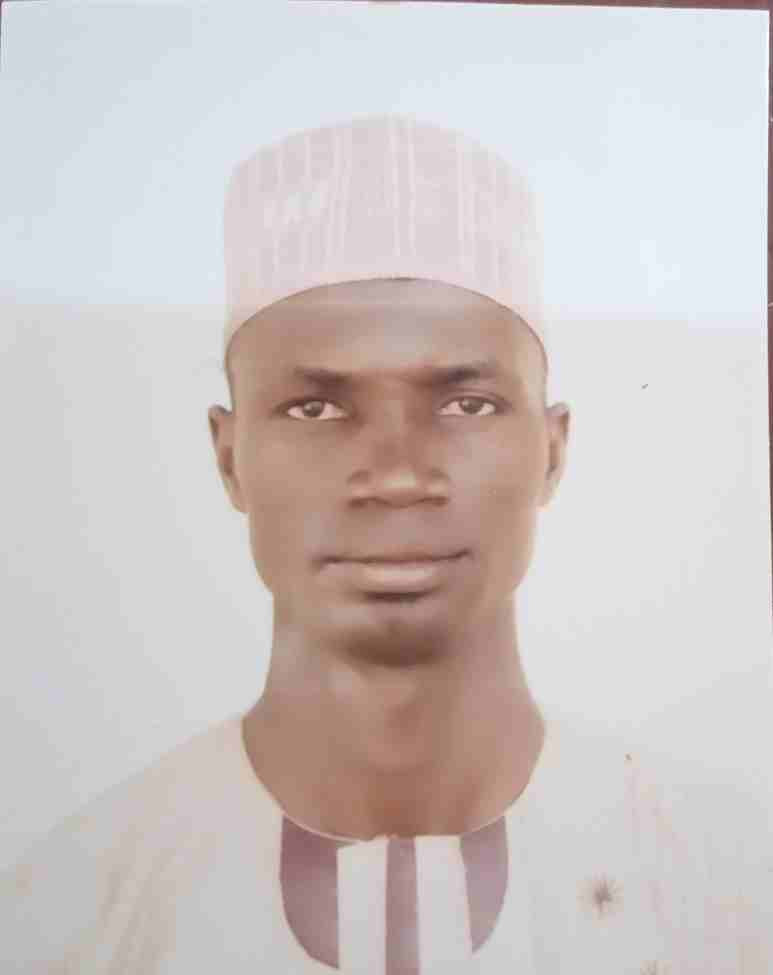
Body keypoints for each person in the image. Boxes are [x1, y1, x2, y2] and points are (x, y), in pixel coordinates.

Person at [2, 114, 771, 974]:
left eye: (467, 404)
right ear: (228, 457)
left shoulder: (731, 894)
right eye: (316, 408)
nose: (398, 475)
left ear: (552, 450)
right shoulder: (71, 915)